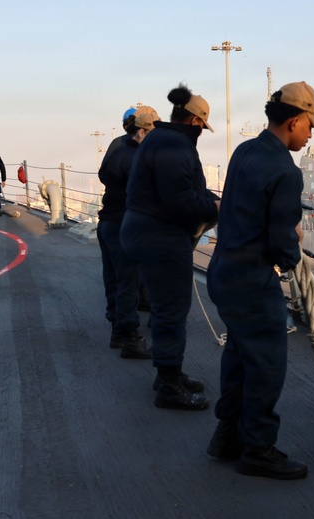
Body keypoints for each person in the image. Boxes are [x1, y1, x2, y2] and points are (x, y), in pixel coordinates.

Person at [205, 82, 314, 479]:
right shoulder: (285, 172)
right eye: (310, 127)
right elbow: (280, 242)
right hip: (252, 279)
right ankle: (258, 447)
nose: (311, 137)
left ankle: (227, 435)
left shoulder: (244, 152)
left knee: (241, 355)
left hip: (224, 270)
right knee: (267, 363)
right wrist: (295, 254)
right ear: (294, 122)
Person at [120, 84, 219, 410]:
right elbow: (179, 201)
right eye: (202, 129)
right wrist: (214, 208)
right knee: (171, 310)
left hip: (144, 231)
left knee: (166, 309)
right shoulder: (175, 146)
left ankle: (168, 375)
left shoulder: (161, 140)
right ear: (194, 122)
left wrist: (206, 201)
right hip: (160, 237)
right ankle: (169, 387)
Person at [97, 106, 159, 360]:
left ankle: (117, 332)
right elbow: (143, 195)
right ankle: (130, 337)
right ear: (142, 132)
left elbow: (103, 175)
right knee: (128, 284)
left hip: (107, 223)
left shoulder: (116, 149)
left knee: (113, 280)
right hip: (127, 226)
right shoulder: (139, 159)